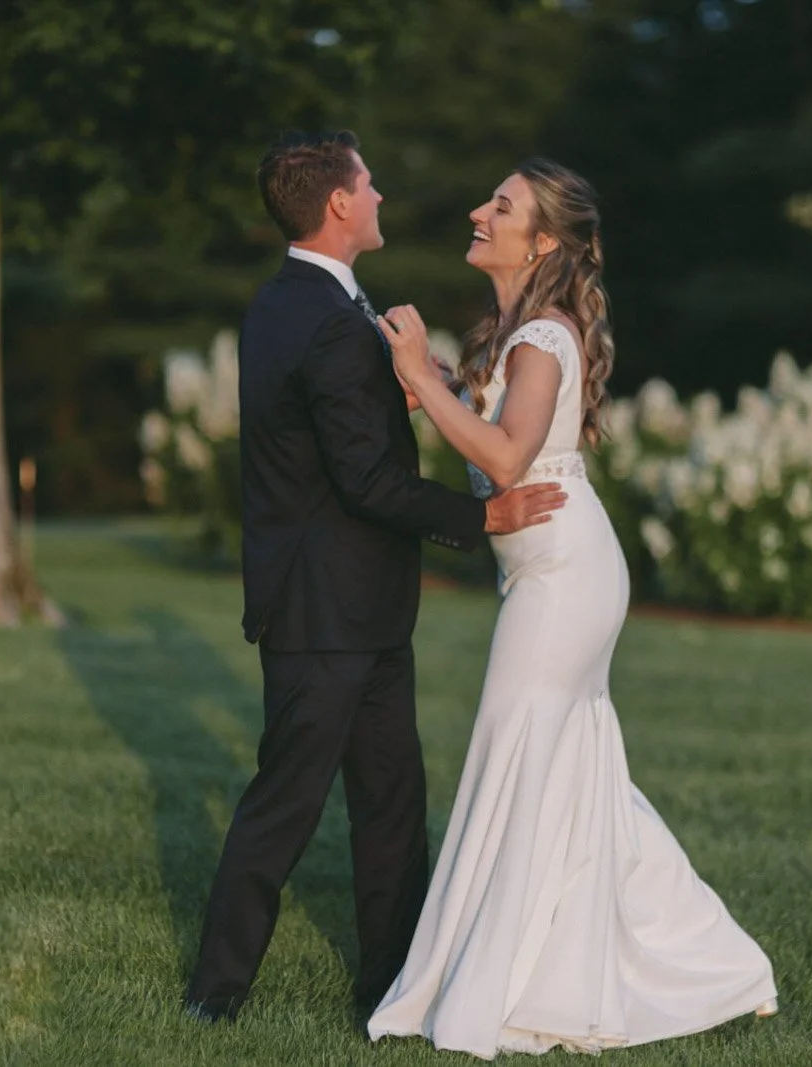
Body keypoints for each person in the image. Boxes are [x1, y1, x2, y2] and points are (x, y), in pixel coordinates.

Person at [366, 158, 778, 1058]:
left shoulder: (544, 334)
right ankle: (717, 960)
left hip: (564, 578)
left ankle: (499, 980)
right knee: (574, 768)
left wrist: (422, 381)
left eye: (500, 205)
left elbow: (510, 461)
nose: (479, 211)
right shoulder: (514, 330)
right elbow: (496, 454)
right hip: (549, 570)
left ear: (542, 239)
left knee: (517, 748)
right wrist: (437, 382)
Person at [182, 132, 568, 1024]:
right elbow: (362, 481)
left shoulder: (293, 303)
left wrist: (395, 383)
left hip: (363, 609)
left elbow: (324, 434)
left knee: (393, 808)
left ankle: (392, 988)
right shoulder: (324, 316)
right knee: (286, 804)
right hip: (323, 612)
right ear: (340, 206)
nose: (383, 195)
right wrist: (480, 517)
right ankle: (214, 992)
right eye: (371, 183)